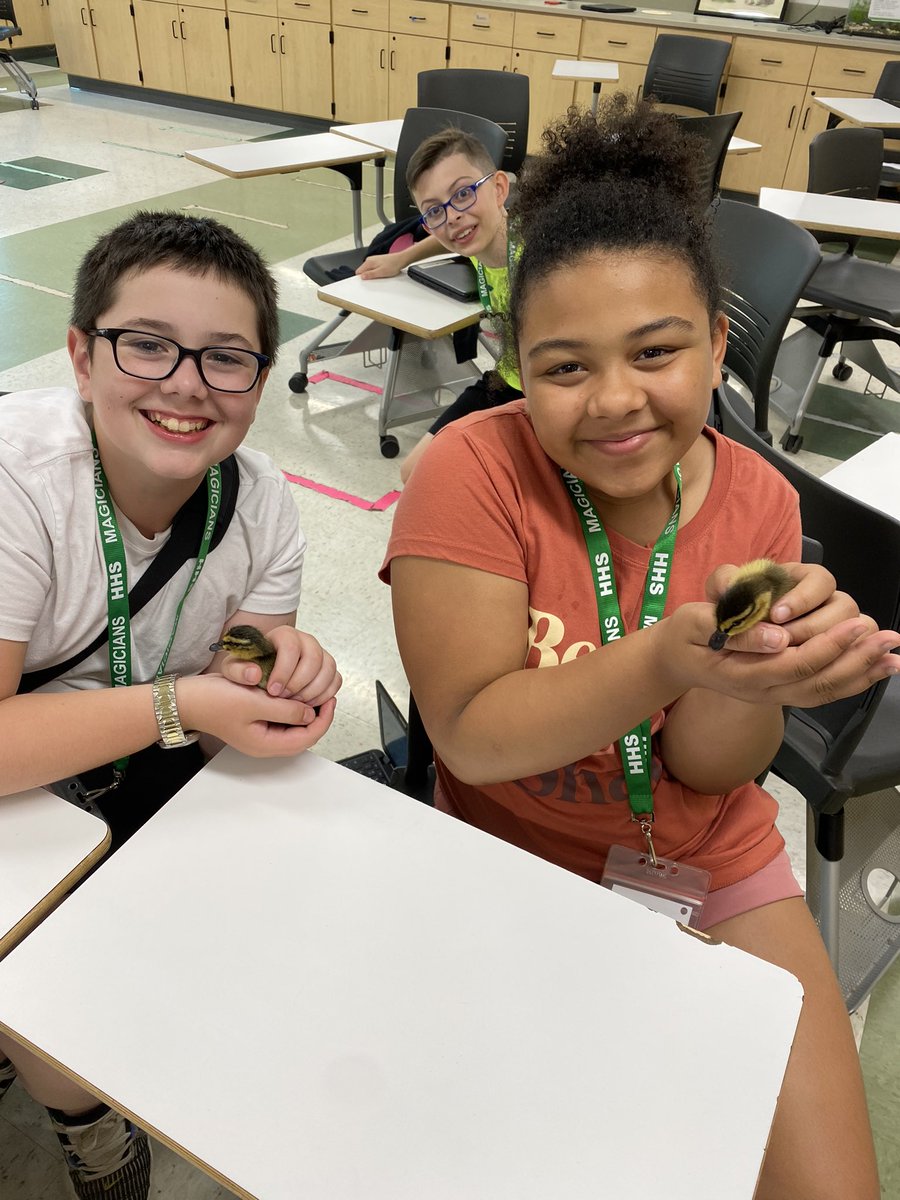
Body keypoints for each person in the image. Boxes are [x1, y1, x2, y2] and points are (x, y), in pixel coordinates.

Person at [381, 97, 896, 1200]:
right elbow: (471, 737)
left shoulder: (758, 497)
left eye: (656, 352)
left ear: (716, 345)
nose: (617, 402)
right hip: (508, 854)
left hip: (707, 859)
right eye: (565, 368)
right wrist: (669, 657)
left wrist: (754, 675)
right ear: (517, 365)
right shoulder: (471, 472)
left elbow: (711, 769)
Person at [0, 210, 342, 1199]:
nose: (187, 384)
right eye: (146, 345)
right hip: (34, 755)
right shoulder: (20, 482)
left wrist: (282, 675)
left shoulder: (261, 502)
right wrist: (186, 703)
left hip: (146, 742)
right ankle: (82, 1115)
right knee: (35, 953)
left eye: (226, 358)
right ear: (81, 356)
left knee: (259, 881)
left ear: (259, 382)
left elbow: (240, 678)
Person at [355, 127, 522, 483]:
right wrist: (401, 258)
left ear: (499, 189)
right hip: (508, 381)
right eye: (434, 211)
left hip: (549, 394)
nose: (453, 217)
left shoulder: (537, 261)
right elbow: (446, 234)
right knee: (415, 471)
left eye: (463, 194)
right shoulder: (477, 238)